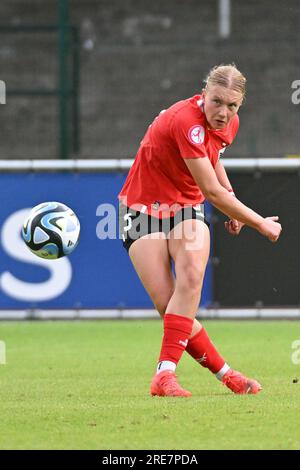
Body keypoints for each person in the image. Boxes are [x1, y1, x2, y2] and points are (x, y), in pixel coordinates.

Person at [118, 64, 282, 397]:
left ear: (240, 105)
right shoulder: (185, 122)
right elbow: (211, 191)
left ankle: (164, 376)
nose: (223, 113)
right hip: (141, 208)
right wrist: (259, 222)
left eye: (232, 106)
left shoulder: (228, 124)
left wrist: (232, 197)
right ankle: (227, 374)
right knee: (171, 308)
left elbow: (213, 159)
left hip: (184, 207)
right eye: (217, 102)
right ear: (203, 92)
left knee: (192, 275)